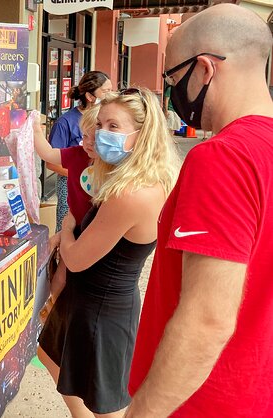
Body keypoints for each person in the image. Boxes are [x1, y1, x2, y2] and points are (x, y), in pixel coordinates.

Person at [127, 5, 273, 417]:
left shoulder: (223, 158)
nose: (174, 94)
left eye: (173, 78)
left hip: (201, 402)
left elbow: (207, 320)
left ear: (204, 70)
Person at [37, 87, 180, 417]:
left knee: (104, 404)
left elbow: (75, 258)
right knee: (54, 361)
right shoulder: (126, 178)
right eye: (99, 125)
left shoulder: (132, 193)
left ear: (141, 134)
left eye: (113, 126)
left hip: (103, 311)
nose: (101, 134)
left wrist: (67, 228)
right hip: (88, 300)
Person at [32, 105, 100, 322]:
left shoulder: (113, 167)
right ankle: (53, 309)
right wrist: (34, 129)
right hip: (74, 226)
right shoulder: (77, 155)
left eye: (95, 138)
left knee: (80, 275)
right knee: (61, 273)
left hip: (95, 231)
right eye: (85, 136)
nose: (88, 143)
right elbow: (47, 153)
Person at [48, 71, 112, 234]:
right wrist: (80, 174)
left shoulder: (107, 120)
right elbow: (51, 162)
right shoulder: (65, 122)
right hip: (71, 185)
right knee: (68, 229)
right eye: (106, 92)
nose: (111, 95)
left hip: (100, 182)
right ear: (90, 96)